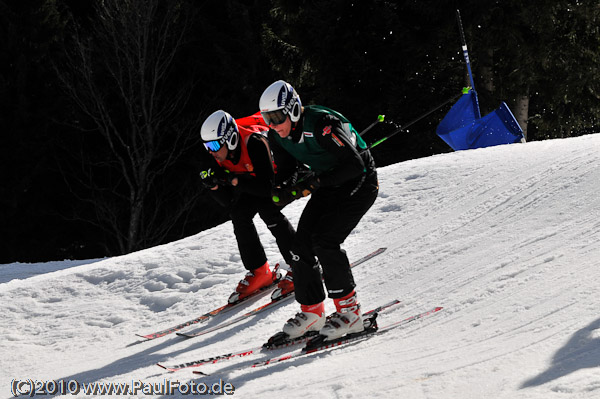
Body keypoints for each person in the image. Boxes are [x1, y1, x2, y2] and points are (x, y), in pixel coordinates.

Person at [259, 80, 379, 341]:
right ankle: (312, 312)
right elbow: (290, 171)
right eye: (268, 119)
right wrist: (281, 190)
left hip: (360, 181)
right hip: (328, 182)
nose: (274, 124)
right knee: (300, 246)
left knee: (325, 241)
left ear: (292, 109)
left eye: (277, 116)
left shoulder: (322, 125)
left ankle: (350, 313)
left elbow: (354, 165)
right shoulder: (277, 137)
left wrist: (315, 182)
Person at [199, 110, 297, 304]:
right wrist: (215, 187)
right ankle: (260, 271)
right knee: (239, 214)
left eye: (215, 144)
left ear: (231, 138)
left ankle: (300, 263)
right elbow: (229, 202)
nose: (212, 151)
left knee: (268, 210)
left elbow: (266, 188)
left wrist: (234, 180)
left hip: (283, 172)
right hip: (253, 180)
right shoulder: (218, 154)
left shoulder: (254, 143)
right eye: (207, 146)